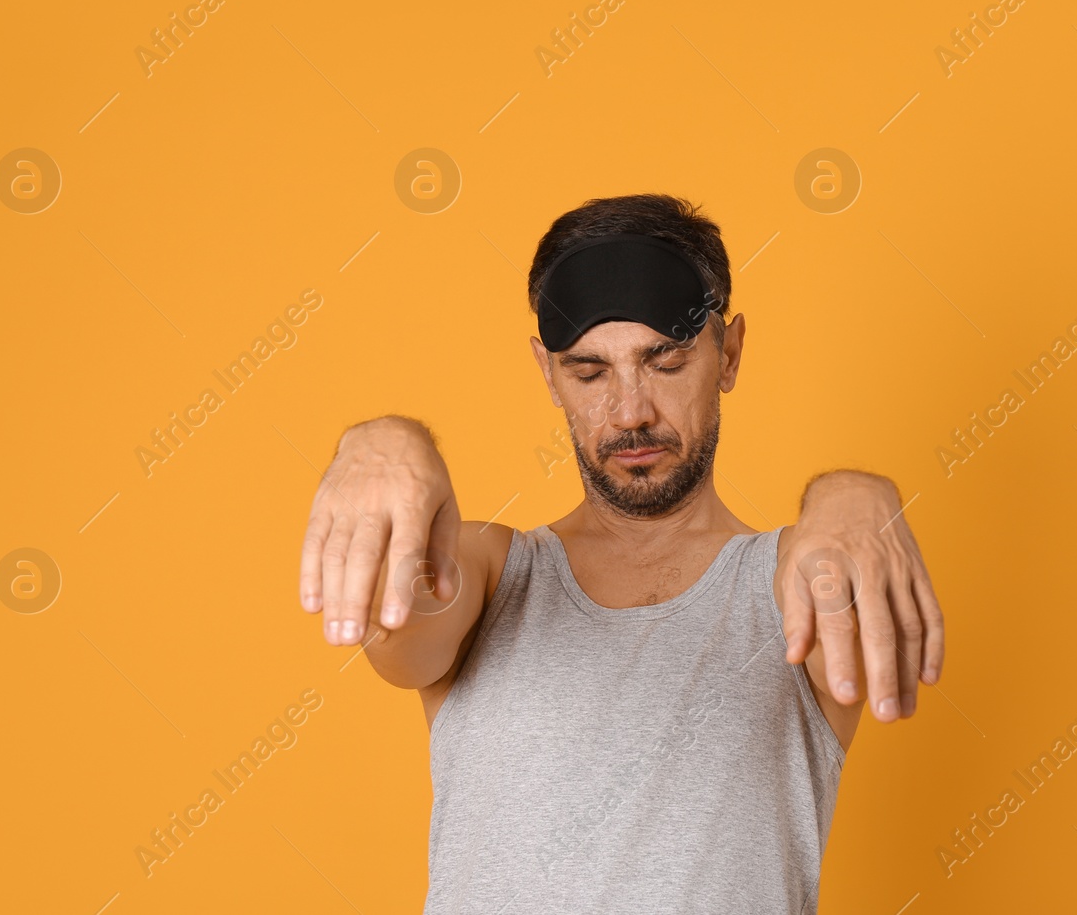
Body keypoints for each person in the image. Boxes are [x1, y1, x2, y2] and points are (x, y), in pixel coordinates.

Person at [298, 194, 944, 913]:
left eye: (663, 361)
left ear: (727, 354)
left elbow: (843, 590)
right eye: (590, 372)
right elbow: (402, 625)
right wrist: (387, 440)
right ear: (548, 373)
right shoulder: (484, 575)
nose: (630, 410)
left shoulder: (791, 585)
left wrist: (852, 493)